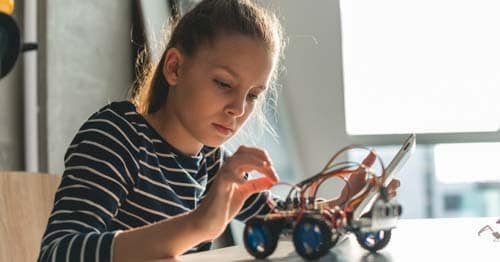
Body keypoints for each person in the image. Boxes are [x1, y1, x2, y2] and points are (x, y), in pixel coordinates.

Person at [38, 1, 400, 261]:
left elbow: (279, 222)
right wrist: (198, 225)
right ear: (176, 68)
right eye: (224, 84)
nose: (239, 109)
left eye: (253, 96)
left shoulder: (211, 162)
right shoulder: (116, 135)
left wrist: (341, 207)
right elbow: (58, 252)